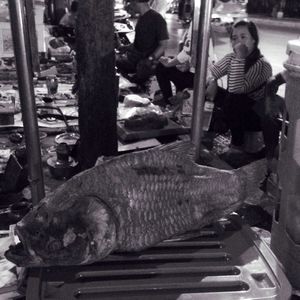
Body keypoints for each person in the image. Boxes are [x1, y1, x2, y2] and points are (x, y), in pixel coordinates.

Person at [205, 20, 279, 160]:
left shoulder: (262, 65)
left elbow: (237, 89)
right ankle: (207, 132)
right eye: (234, 38)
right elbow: (210, 72)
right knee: (206, 90)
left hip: (255, 115)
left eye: (243, 37)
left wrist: (239, 57)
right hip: (236, 107)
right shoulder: (231, 58)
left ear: (254, 40)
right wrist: (213, 81)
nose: (238, 42)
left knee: (234, 99)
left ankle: (237, 146)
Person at [116, 0, 169, 84]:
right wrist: (126, 48)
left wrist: (150, 59)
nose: (130, 5)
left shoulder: (157, 19)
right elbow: (140, 42)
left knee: (116, 62)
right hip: (139, 58)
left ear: (136, 2)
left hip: (148, 63)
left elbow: (163, 45)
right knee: (116, 60)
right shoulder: (142, 17)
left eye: (131, 2)